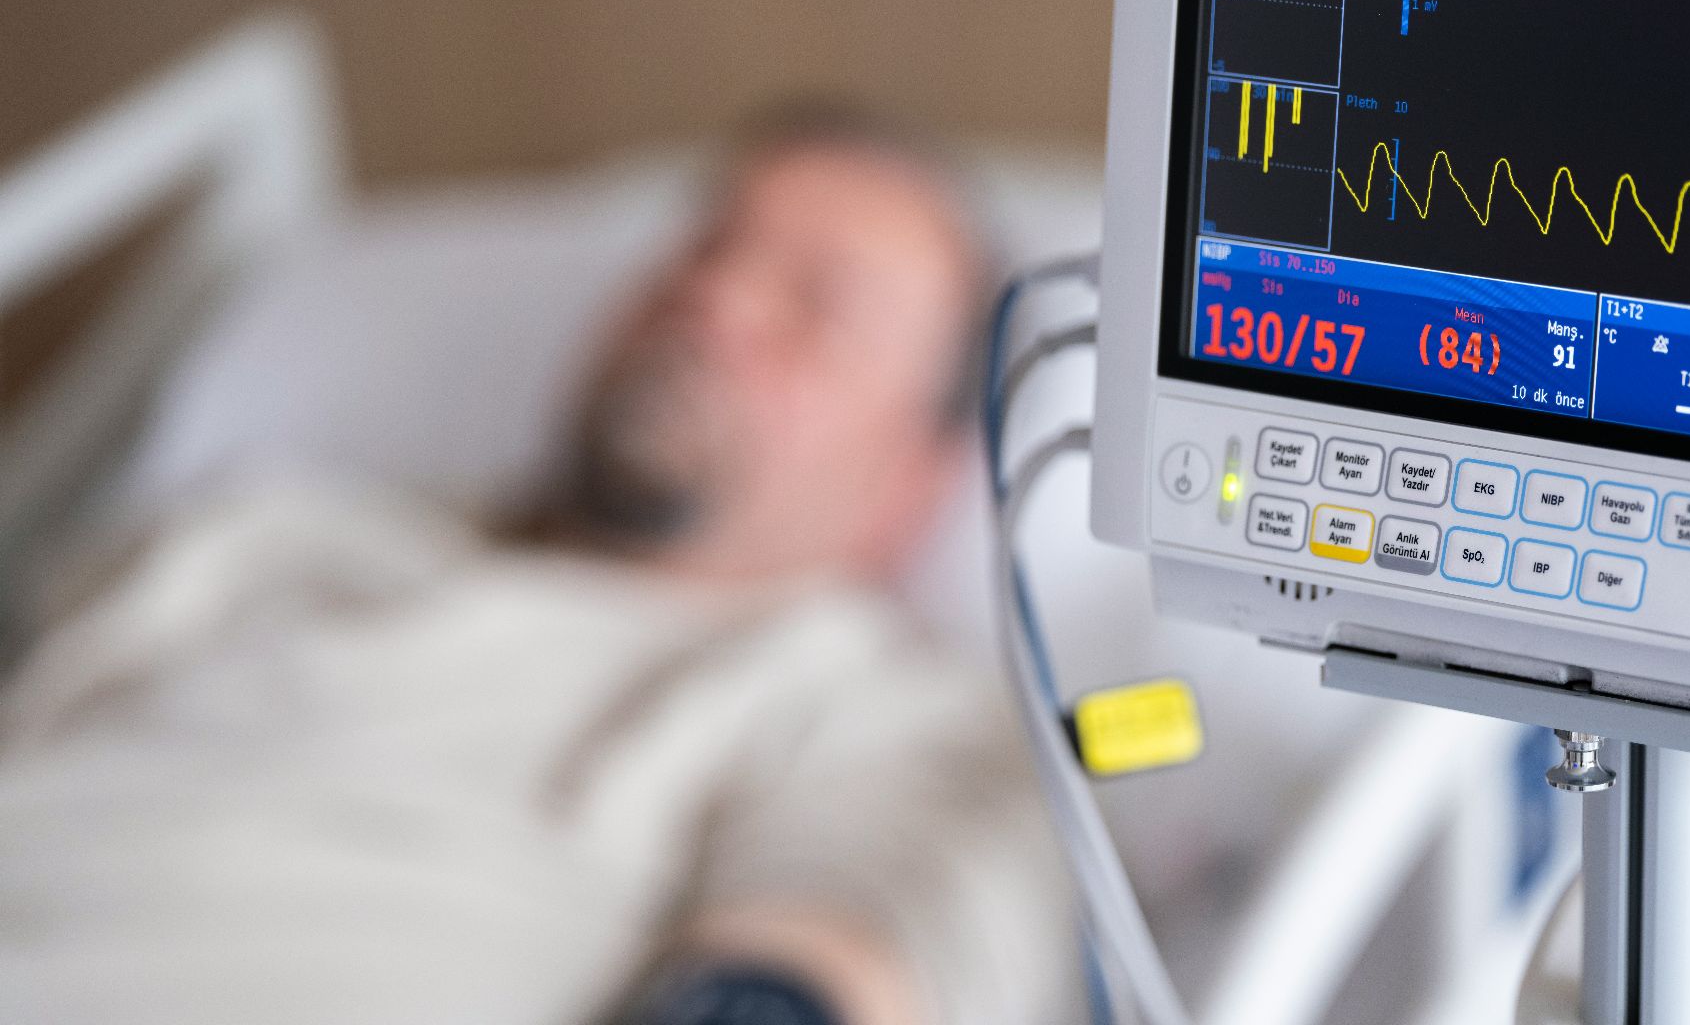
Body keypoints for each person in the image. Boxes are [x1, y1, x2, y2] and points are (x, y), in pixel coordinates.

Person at [0, 104, 1078, 1025]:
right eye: (705, 247)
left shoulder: (865, 703)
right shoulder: (263, 533)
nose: (716, 298)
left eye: (816, 307)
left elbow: (844, 958)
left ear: (913, 480)